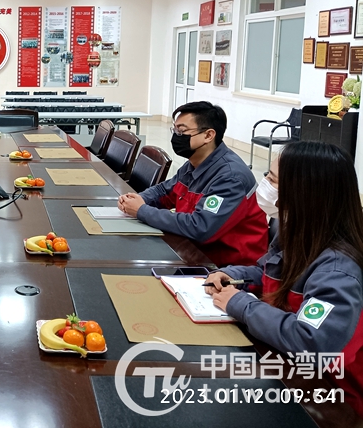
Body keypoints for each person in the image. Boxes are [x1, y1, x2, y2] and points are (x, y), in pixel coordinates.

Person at [205, 142, 363, 414]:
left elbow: (310, 341)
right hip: (282, 361)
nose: (264, 184)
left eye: (273, 179)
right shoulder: (294, 227)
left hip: (329, 395)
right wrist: (234, 275)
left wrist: (241, 304)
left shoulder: (338, 270)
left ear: (306, 193)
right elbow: (270, 271)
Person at [117, 101, 268, 266]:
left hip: (227, 268)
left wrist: (142, 211)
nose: (176, 136)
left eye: (182, 131)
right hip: (191, 251)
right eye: (174, 130)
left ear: (208, 135)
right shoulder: (196, 162)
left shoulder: (230, 177)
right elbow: (165, 191)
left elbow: (201, 227)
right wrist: (139, 199)